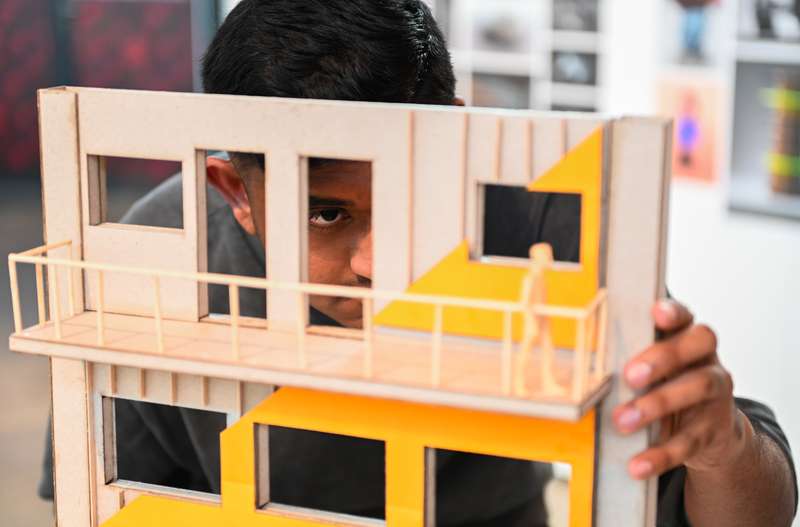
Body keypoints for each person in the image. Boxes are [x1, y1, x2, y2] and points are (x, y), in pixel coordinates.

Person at [40, 1, 797, 526]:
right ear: (237, 191)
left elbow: (753, 505)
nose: (379, 263)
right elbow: (103, 500)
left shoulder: (544, 218)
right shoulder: (150, 256)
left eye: (415, 195)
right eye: (325, 212)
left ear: (458, 144)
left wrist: (722, 446)